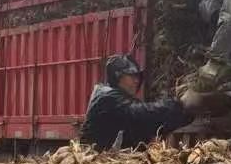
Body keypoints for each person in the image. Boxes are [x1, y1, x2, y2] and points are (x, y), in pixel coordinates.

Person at [80, 53, 222, 151]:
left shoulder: (117, 98)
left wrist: (186, 113)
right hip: (98, 162)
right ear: (117, 77)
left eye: (138, 77)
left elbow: (149, 126)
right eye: (131, 76)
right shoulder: (107, 98)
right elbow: (144, 115)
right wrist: (180, 105)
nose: (136, 81)